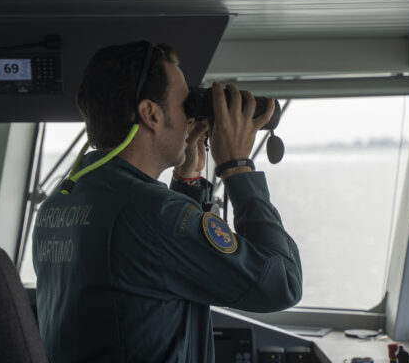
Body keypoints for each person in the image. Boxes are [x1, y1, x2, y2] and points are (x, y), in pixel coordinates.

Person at [32, 40, 302, 362]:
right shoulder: (151, 213)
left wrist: (188, 180)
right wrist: (237, 168)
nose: (191, 118)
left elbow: (150, 269)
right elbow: (281, 282)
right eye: (186, 105)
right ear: (151, 114)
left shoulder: (57, 206)